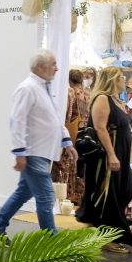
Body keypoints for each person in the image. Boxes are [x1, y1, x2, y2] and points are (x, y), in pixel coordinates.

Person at [0, 50, 78, 234]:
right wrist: (20, 152)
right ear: (40, 66)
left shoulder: (43, 89)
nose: (57, 68)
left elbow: (53, 119)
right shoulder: (27, 88)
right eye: (54, 64)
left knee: (23, 192)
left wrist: (67, 142)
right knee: (46, 197)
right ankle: (51, 241)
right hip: (33, 152)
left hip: (42, 152)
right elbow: (17, 120)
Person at [76, 67, 132, 253]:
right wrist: (111, 154)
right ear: (112, 79)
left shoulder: (116, 100)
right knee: (108, 194)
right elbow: (100, 128)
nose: (124, 80)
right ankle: (106, 237)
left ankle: (97, 228)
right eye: (121, 77)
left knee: (125, 189)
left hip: (120, 153)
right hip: (106, 155)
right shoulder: (102, 98)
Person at [52, 69, 86, 204]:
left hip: (63, 134)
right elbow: (76, 115)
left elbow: (68, 116)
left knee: (60, 168)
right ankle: (68, 196)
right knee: (69, 168)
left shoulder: (69, 92)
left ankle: (61, 198)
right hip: (72, 133)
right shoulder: (79, 92)